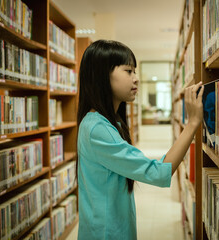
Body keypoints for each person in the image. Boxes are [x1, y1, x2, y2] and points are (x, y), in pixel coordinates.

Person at [77, 39, 204, 240]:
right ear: (101, 76)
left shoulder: (109, 123)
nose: (136, 79)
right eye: (128, 71)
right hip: (106, 233)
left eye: (135, 71)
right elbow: (156, 171)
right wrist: (192, 123)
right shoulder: (97, 129)